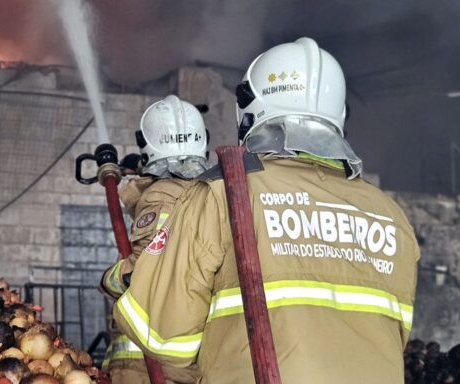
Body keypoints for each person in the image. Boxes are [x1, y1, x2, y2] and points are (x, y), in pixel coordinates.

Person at [112, 37, 420, 384]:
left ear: (250, 113)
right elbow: (396, 337)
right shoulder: (392, 217)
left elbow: (162, 335)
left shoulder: (222, 194)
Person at [100, 95, 209, 384]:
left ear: (149, 147)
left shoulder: (162, 196)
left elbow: (140, 274)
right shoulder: (211, 193)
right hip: (185, 363)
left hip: (148, 365)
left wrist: (109, 278)